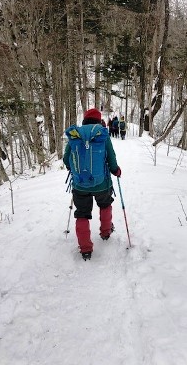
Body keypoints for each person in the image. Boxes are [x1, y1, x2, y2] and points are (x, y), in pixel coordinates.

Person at [63, 108, 121, 261]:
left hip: (79, 185)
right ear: (98, 120)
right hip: (102, 183)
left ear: (85, 120)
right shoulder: (102, 133)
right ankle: (106, 232)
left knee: (82, 214)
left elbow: (66, 159)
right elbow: (111, 156)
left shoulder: (75, 134)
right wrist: (115, 170)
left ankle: (85, 249)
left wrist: (74, 170)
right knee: (105, 205)